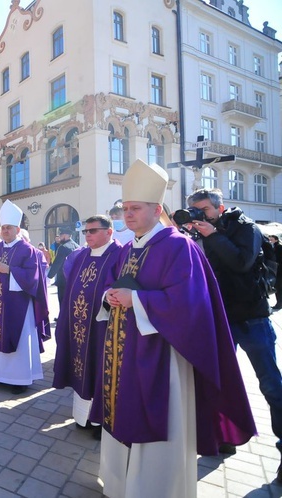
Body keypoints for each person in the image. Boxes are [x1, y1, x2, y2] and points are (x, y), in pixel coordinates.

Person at [95, 161, 255, 498]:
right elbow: (123, 286)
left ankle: (154, 490)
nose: (128, 215)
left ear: (156, 209)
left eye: (135, 208)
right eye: (125, 209)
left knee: (156, 423)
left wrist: (136, 300)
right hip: (125, 353)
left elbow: (189, 304)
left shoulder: (179, 246)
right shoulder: (129, 248)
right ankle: (118, 484)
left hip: (163, 354)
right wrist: (112, 297)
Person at [187, 187, 282, 478]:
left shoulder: (246, 228)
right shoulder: (200, 234)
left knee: (270, 385)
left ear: (220, 207)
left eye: (204, 210)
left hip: (251, 318)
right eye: (195, 211)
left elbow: (242, 263)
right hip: (219, 317)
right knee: (221, 380)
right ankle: (225, 436)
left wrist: (212, 236)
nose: (199, 216)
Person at [52, 215, 121, 439]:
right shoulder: (81, 255)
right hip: (78, 325)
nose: (88, 235)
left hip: (103, 325)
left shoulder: (119, 255)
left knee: (101, 369)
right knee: (81, 368)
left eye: (93, 231)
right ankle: (83, 417)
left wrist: (103, 296)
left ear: (109, 232)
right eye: (85, 232)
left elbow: (119, 286)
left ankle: (103, 420)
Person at [0, 202, 50, 394]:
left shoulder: (28, 250)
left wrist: (10, 270)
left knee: (18, 338)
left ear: (18, 229)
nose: (5, 231)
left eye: (9, 228)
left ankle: (19, 379)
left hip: (18, 306)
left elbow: (33, 277)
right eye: (3, 228)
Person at [47, 227, 79, 307]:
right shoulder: (77, 246)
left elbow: (57, 263)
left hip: (63, 279)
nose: (60, 238)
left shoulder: (63, 247)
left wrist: (49, 276)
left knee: (63, 301)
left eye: (61, 235)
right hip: (74, 278)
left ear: (66, 235)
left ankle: (62, 318)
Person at [270, 234, 282, 310]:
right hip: (277, 270)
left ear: (276, 240)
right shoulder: (273, 247)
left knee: (279, 288)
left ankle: (279, 304)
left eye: (271, 239)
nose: (270, 241)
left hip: (279, 271)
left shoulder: (279, 247)